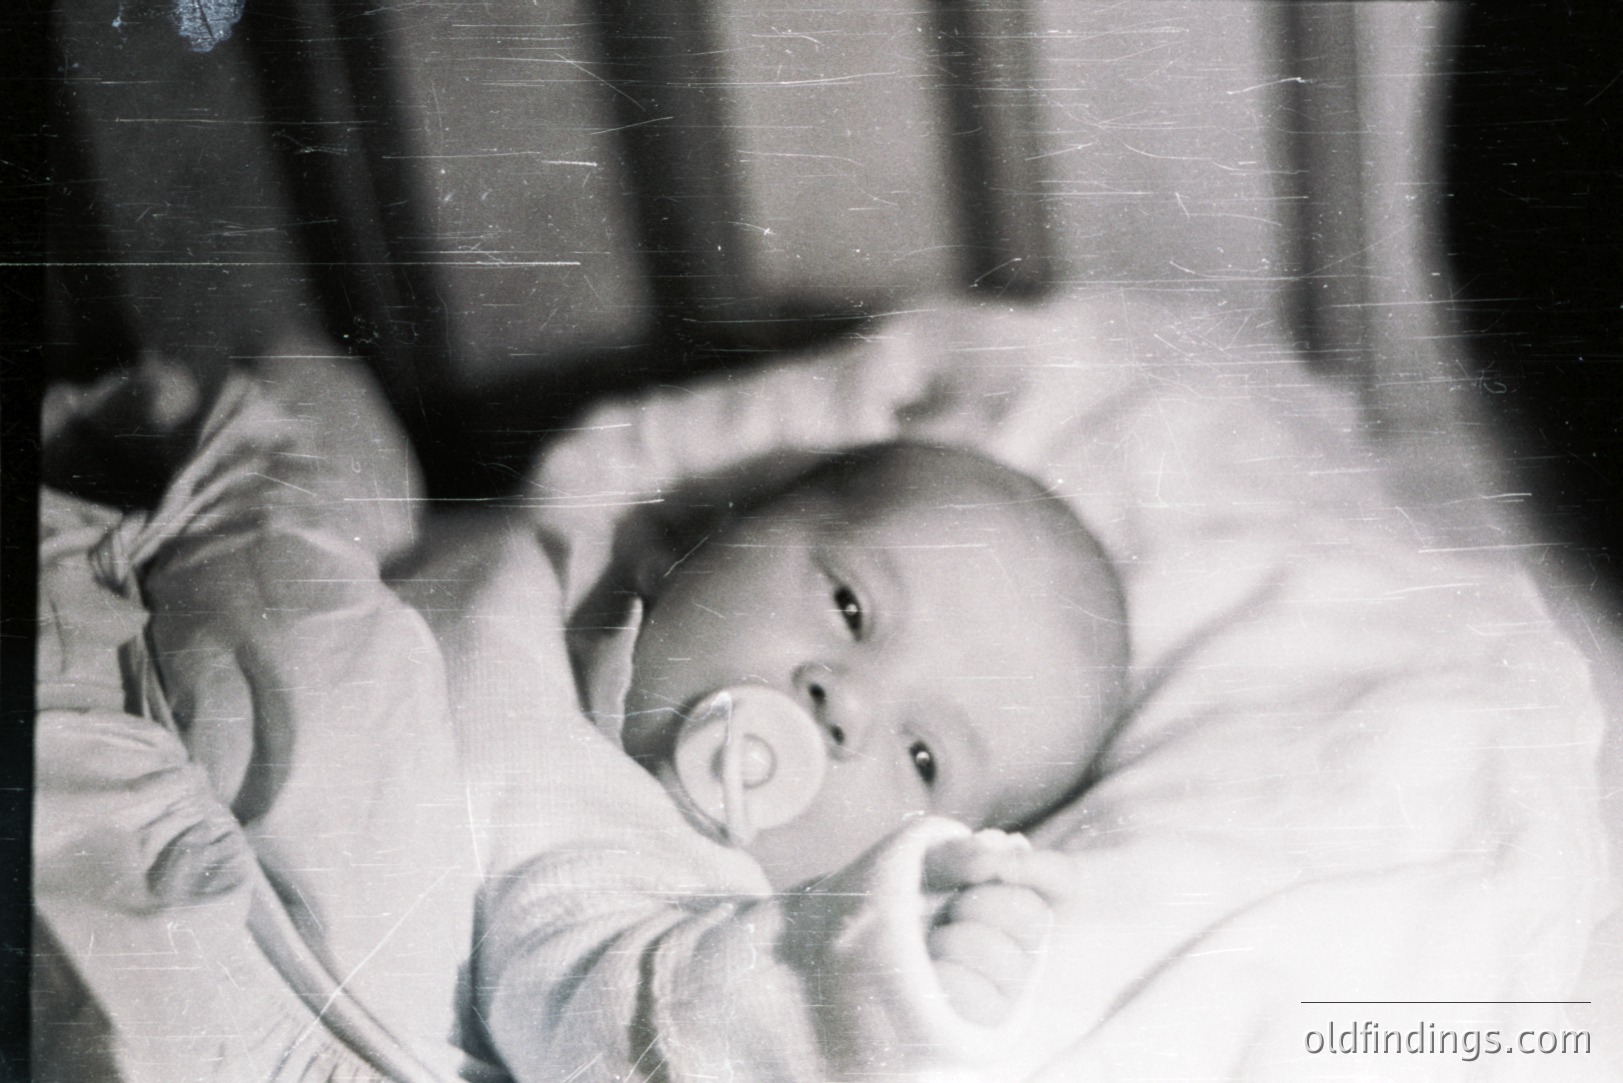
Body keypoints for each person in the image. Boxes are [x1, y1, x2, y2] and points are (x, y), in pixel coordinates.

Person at [478, 441, 1129, 1078]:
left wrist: (834, 992)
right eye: (850, 608)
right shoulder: (533, 576)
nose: (847, 704)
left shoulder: (693, 910)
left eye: (922, 756)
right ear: (700, 537)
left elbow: (594, 1031)